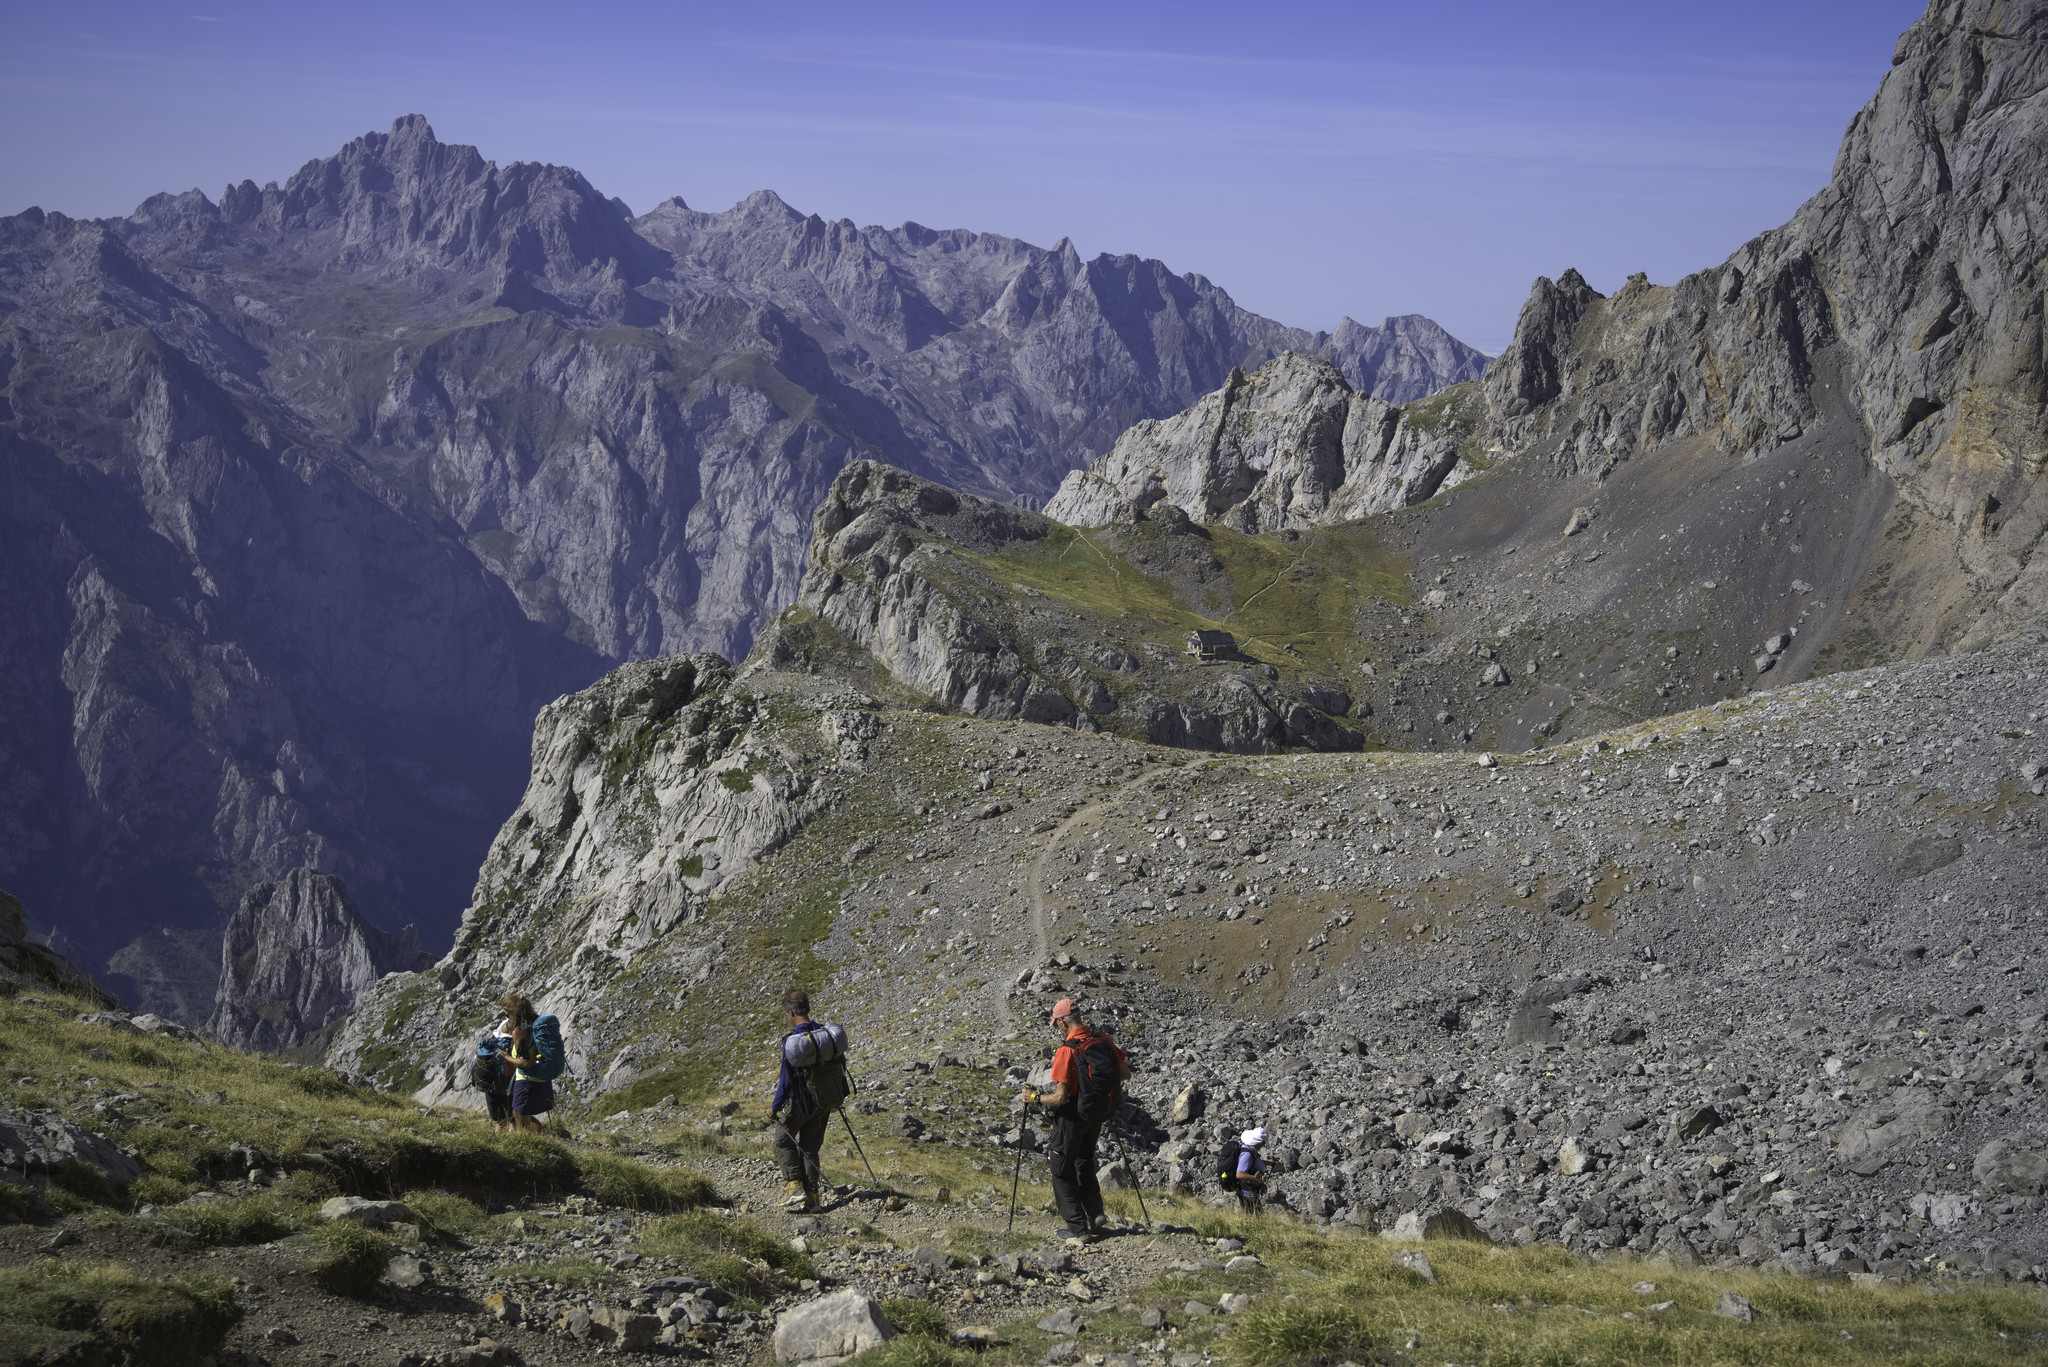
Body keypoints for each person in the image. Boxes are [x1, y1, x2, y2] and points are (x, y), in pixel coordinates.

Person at [1019, 999, 1131, 1241]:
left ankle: (1078, 1230)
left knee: (1061, 1169)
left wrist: (1035, 1098)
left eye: (1056, 1023)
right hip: (1097, 1114)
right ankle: (1096, 1214)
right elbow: (1125, 1074)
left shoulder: (1067, 1050)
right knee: (1084, 1160)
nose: (1057, 1027)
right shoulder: (1102, 1039)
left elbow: (1059, 1097)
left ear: (1062, 1022)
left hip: (1071, 1117)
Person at [769, 988, 839, 1212]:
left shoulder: (793, 1041)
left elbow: (786, 1080)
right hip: (825, 1099)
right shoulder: (826, 1035)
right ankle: (813, 1200)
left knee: (782, 1140)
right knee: (810, 1148)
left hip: (802, 1102)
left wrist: (775, 1107)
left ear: (790, 1012)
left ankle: (793, 1187)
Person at [500, 993, 551, 1133]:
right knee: (521, 1116)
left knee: (521, 1122)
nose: (507, 1018)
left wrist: (507, 1057)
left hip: (526, 1081)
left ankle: (525, 1150)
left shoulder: (519, 1032)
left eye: (507, 1015)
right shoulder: (537, 1024)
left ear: (514, 1012)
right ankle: (537, 1143)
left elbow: (525, 1063)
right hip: (542, 1078)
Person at [1234, 1127, 1268, 1212]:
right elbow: (1239, 1174)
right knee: (1255, 1218)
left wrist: (1269, 1163)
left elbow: (1253, 1163)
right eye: (1263, 1143)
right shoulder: (1247, 1154)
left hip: (1251, 1193)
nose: (1263, 1145)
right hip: (1247, 1194)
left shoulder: (1250, 1149)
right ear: (1258, 1142)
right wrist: (1258, 1179)